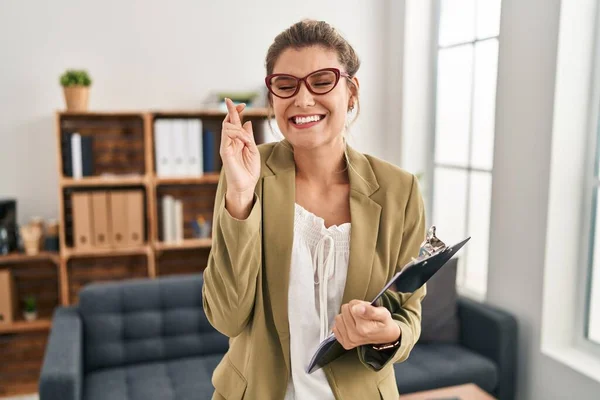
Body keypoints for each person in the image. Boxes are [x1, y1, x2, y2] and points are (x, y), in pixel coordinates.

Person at [202, 19, 426, 400]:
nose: (303, 100)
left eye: (322, 81)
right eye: (286, 86)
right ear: (272, 99)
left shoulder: (398, 190)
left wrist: (389, 334)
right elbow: (227, 316)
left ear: (351, 92)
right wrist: (240, 196)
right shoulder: (247, 173)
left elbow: (408, 313)